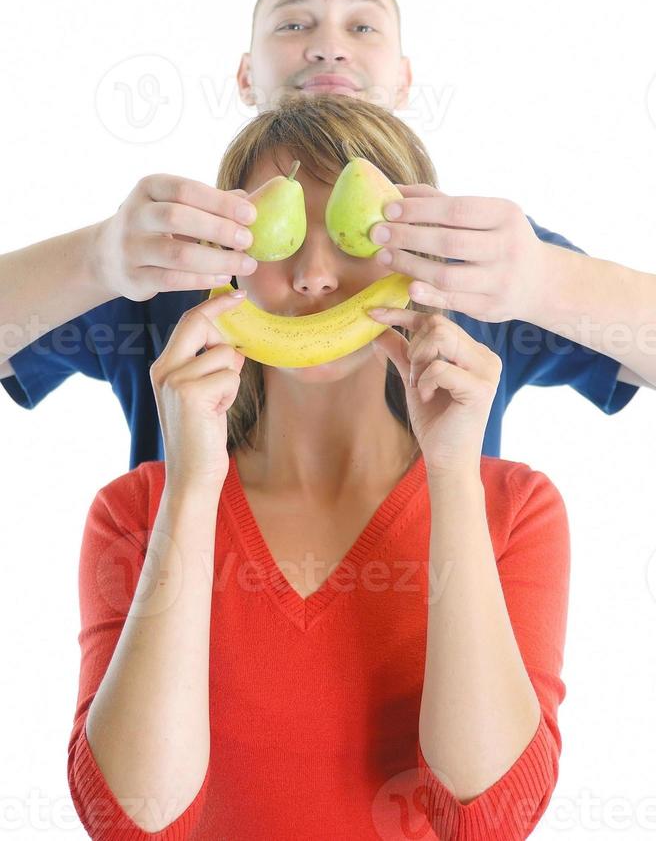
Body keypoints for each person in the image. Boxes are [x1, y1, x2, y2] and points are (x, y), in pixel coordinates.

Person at [67, 95, 570, 839]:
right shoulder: (135, 510)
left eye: (353, 232)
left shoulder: (516, 507)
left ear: (422, 256)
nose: (313, 275)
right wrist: (193, 487)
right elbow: (132, 821)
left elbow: (487, 818)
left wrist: (453, 476)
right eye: (278, 236)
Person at [1, 0, 651, 470]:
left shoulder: (480, 264)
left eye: (362, 25)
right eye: (293, 24)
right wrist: (95, 259)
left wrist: (550, 279)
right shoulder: (167, 263)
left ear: (403, 77)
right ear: (245, 76)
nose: (329, 46)